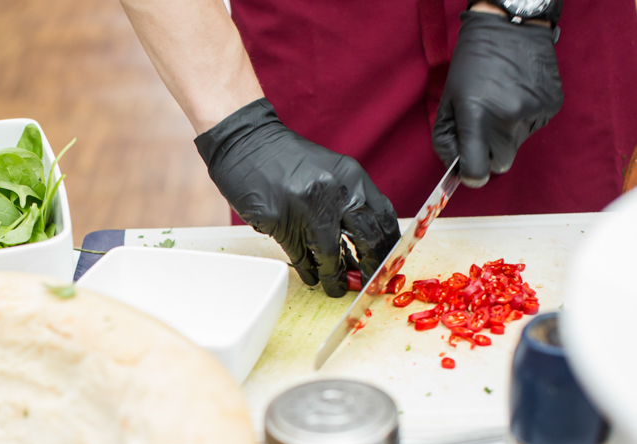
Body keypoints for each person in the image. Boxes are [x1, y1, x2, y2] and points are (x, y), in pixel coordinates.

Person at [117, 0, 637, 297]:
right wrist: (238, 126)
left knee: (571, 297)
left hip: (554, 32)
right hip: (323, 35)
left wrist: (523, 7)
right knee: (314, 275)